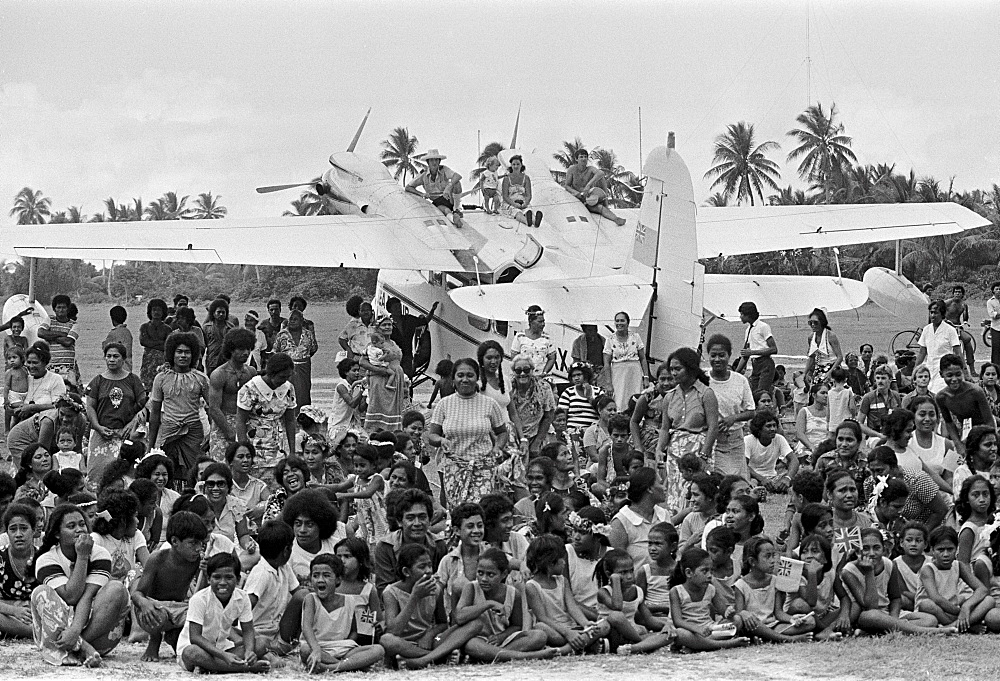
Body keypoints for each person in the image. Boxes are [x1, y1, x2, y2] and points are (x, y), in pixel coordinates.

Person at [30, 504, 130, 667]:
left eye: (82, 524)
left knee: (117, 589)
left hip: (99, 638)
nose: (79, 530)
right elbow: (70, 596)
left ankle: (74, 646)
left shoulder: (100, 554)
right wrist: (82, 557)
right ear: (57, 533)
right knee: (40, 592)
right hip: (57, 636)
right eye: (71, 526)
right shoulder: (46, 560)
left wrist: (74, 632)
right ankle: (81, 647)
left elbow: (86, 596)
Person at [380, 544, 481, 669]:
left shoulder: (435, 589)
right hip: (404, 643)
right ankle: (437, 657)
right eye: (422, 567)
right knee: (387, 640)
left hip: (429, 641)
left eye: (429, 565)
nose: (428, 570)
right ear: (406, 572)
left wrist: (429, 635)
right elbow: (393, 630)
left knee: (475, 624)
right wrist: (414, 597)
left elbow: (443, 623)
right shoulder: (391, 592)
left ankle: (425, 658)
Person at [841, 528, 953, 635]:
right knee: (871, 616)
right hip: (867, 615)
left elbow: (895, 598)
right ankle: (929, 631)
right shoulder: (849, 571)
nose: (871, 553)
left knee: (930, 620)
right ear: (857, 552)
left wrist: (893, 618)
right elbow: (871, 606)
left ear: (883, 549)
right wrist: (869, 572)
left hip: (888, 613)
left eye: (876, 548)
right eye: (865, 548)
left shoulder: (888, 564)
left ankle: (878, 631)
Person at [427, 358, 509, 505]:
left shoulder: (489, 404)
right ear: (453, 379)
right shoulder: (444, 404)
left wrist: (497, 448)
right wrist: (441, 440)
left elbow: (502, 432)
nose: (465, 379)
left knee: (479, 510)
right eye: (460, 375)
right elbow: (432, 435)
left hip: (483, 467)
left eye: (470, 375)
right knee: (458, 512)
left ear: (477, 378)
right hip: (454, 467)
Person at [454, 548, 554, 662]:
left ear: (504, 574)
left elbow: (517, 626)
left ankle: (490, 656)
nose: (484, 579)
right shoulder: (471, 588)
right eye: (480, 573)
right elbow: (459, 617)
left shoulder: (513, 594)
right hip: (479, 639)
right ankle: (526, 656)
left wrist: (501, 637)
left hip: (503, 641)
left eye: (490, 574)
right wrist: (488, 604)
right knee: (471, 644)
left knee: (539, 636)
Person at [177, 552, 269, 673]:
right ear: (209, 579)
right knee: (192, 652)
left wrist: (249, 652)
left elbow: (248, 630)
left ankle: (212, 666)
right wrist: (224, 656)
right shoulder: (199, 599)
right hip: (199, 649)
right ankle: (244, 668)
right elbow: (195, 637)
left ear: (238, 580)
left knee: (262, 643)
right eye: (217, 577)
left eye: (229, 577)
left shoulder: (242, 598)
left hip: (223, 648)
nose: (222, 582)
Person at [300, 554, 385, 672]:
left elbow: (354, 631)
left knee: (378, 650)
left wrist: (348, 644)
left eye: (326, 575)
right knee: (304, 650)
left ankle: (332, 667)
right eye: (315, 576)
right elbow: (306, 628)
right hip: (318, 646)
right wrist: (316, 650)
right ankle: (348, 665)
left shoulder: (350, 601)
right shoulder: (311, 599)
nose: (320, 580)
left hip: (343, 648)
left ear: (338, 579)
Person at [658, 347, 719, 510]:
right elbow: (665, 428)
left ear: (691, 368)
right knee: (675, 492)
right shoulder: (669, 397)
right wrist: (659, 449)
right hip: (675, 452)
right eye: (671, 369)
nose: (673, 373)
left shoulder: (706, 394)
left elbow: (713, 427)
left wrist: (704, 455)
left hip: (699, 449)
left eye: (678, 369)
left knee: (697, 492)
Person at [147, 332, 210, 485]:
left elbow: (212, 409)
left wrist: (211, 435)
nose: (183, 356)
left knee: (195, 474)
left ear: (193, 354)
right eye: (179, 352)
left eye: (187, 352)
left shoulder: (201, 379)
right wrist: (150, 445)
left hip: (194, 433)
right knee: (167, 474)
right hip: (169, 432)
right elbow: (155, 413)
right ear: (172, 354)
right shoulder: (161, 378)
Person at [85, 343, 146, 485]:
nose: (112, 359)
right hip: (102, 434)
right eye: (108, 356)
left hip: (126, 434)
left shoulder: (133, 380)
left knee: (125, 475)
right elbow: (90, 407)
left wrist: (132, 425)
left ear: (124, 359)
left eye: (116, 356)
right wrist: (98, 427)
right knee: (97, 474)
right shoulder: (97, 381)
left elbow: (144, 405)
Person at [733, 536, 815, 642]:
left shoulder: (775, 581)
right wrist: (744, 613)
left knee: (810, 622)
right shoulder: (741, 585)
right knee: (752, 623)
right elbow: (740, 613)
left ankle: (766, 637)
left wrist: (792, 619)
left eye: (773, 555)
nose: (773, 560)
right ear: (752, 561)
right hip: (753, 626)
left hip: (773, 625)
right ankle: (788, 639)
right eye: (767, 556)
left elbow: (778, 613)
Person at [669, 547, 751, 651]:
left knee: (737, 620)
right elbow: (678, 621)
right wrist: (697, 629)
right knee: (680, 634)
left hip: (711, 629)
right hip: (690, 631)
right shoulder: (676, 591)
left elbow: (723, 612)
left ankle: (698, 645)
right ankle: (725, 644)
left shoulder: (711, 589)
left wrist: (729, 613)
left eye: (711, 571)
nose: (709, 576)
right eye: (704, 571)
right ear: (689, 573)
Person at [916, 525, 993, 629]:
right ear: (933, 550)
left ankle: (954, 626)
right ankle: (965, 625)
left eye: (950, 549)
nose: (946, 554)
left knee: (989, 600)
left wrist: (967, 606)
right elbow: (936, 599)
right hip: (934, 611)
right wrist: (960, 612)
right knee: (927, 604)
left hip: (952, 611)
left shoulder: (958, 566)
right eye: (941, 550)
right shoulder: (928, 569)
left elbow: (982, 589)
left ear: (957, 549)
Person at [373, 489, 448, 595]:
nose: (417, 523)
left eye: (422, 517)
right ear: (399, 521)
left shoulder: (439, 545)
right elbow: (383, 591)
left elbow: (442, 585)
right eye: (410, 518)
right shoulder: (385, 547)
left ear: (430, 519)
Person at [236, 352, 297, 482]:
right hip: (255, 448)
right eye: (281, 377)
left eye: (287, 377)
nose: (284, 380)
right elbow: (240, 421)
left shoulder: (288, 389)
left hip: (277, 449)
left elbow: (290, 420)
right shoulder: (250, 389)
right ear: (271, 373)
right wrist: (245, 452)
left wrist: (292, 451)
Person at [706, 335, 755, 477]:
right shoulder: (703, 380)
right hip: (711, 440)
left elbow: (751, 411)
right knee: (718, 480)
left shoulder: (740, 381)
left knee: (738, 481)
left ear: (729, 355)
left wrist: (733, 418)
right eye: (713, 355)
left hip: (735, 441)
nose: (717, 360)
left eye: (722, 355)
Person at [208, 329, 257, 461]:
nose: (246, 353)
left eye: (248, 348)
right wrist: (229, 432)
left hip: (246, 423)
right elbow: (214, 408)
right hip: (223, 424)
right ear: (230, 350)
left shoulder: (251, 372)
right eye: (241, 349)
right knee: (221, 469)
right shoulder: (219, 374)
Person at [608, 468, 670, 571]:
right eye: (660, 483)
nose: (664, 488)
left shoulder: (663, 515)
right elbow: (616, 567)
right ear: (649, 489)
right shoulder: (621, 522)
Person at [936, 353, 995, 458]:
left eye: (958, 374)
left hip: (985, 431)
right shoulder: (941, 397)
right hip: (965, 434)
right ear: (941, 374)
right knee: (954, 463)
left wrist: (989, 442)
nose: (954, 379)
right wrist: (958, 444)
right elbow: (949, 422)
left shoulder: (975, 391)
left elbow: (989, 421)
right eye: (949, 375)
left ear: (963, 372)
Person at [0, 503, 38, 639]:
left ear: (33, 530)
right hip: (7, 616)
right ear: (7, 532)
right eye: (13, 529)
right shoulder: (0, 558)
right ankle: (36, 634)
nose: (18, 534)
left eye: (24, 528)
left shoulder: (43, 559)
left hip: (36, 616)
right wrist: (14, 610)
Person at [362, 317, 406, 432]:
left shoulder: (393, 343)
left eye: (389, 324)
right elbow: (362, 362)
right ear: (378, 328)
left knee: (393, 411)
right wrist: (380, 371)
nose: (387, 327)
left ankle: (392, 434)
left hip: (395, 379)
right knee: (381, 409)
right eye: (384, 325)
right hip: (381, 380)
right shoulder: (375, 344)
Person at [561, 148, 627, 226]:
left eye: (585, 157)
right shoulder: (572, 169)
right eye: (581, 157)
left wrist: (588, 185)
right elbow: (567, 186)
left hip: (589, 199)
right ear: (576, 159)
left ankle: (616, 219)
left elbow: (601, 173)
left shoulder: (590, 169)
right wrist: (577, 194)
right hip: (576, 199)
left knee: (599, 207)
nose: (584, 159)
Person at [510, 353, 556, 458]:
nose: (522, 374)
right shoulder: (508, 388)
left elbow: (549, 416)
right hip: (513, 436)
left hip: (536, 435)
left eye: (526, 370)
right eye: (518, 370)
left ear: (532, 370)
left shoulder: (544, 387)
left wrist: (537, 442)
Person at [405, 148, 465, 227]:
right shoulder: (423, 174)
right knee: (445, 210)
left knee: (456, 182)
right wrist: (422, 194)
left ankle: (457, 209)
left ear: (439, 161)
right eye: (432, 160)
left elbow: (458, 176)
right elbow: (408, 187)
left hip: (449, 198)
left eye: (436, 160)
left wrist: (448, 186)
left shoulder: (444, 169)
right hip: (437, 201)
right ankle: (454, 220)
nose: (434, 162)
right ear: (428, 162)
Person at [12, 341, 67, 424]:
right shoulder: (25, 378)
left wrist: (33, 407)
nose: (31, 366)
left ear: (45, 362)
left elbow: (58, 406)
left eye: (35, 363)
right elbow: (14, 398)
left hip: (46, 424)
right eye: (29, 362)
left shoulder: (55, 379)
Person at [273, 309, 318, 410]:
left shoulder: (308, 334)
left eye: (295, 319)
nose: (292, 321)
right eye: (290, 319)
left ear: (302, 321)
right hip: (287, 370)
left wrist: (302, 359)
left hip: (304, 369)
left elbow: (313, 349)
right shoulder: (282, 335)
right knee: (286, 394)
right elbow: (275, 352)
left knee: (303, 395)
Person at [603, 311, 650, 405]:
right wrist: (608, 383)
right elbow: (607, 363)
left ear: (627, 323)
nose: (619, 323)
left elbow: (643, 359)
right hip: (618, 373)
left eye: (622, 321)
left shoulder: (635, 337)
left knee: (635, 396)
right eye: (617, 321)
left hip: (634, 373)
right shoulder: (610, 339)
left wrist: (646, 377)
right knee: (619, 398)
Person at [386, 297, 439, 379]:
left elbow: (424, 321)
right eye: (395, 307)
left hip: (407, 357)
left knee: (407, 380)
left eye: (399, 307)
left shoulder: (409, 320)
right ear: (390, 310)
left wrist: (432, 310)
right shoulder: (387, 324)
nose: (398, 309)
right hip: (394, 358)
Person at [916, 300, 962, 393]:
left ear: (942, 314)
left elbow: (958, 352)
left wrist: (964, 372)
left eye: (936, 313)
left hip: (944, 369)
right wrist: (915, 369)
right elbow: (922, 352)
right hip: (930, 368)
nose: (933, 315)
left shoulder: (950, 330)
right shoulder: (926, 330)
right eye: (931, 312)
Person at [745, 412, 797, 493]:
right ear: (759, 428)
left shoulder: (779, 439)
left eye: (774, 425)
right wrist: (761, 479)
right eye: (768, 426)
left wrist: (788, 478)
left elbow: (794, 460)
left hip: (773, 477)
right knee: (751, 483)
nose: (773, 429)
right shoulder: (748, 440)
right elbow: (744, 465)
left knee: (795, 478)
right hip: (753, 477)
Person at [733, 302, 777, 395]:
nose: (740, 317)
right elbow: (745, 355)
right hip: (755, 365)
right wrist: (736, 373)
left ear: (748, 315)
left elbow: (773, 349)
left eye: (742, 314)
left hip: (765, 364)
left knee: (762, 393)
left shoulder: (763, 327)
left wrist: (752, 352)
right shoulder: (748, 330)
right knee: (753, 393)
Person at [36, 294, 79, 387]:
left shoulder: (74, 324)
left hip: (68, 368)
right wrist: (61, 334)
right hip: (51, 366)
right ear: (54, 309)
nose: (61, 310)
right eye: (58, 307)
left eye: (64, 307)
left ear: (68, 309)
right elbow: (40, 333)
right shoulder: (50, 320)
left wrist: (50, 335)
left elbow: (68, 342)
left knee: (69, 394)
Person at [858, 364, 902, 439]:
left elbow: (901, 418)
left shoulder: (896, 396)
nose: (880, 381)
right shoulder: (868, 397)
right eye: (878, 378)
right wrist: (878, 435)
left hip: (893, 435)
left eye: (883, 378)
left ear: (890, 379)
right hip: (874, 436)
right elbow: (859, 424)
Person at [803, 308, 844, 387]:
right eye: (810, 323)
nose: (813, 325)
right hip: (819, 369)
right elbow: (811, 357)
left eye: (815, 323)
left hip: (833, 367)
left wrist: (830, 373)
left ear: (822, 322)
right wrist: (805, 373)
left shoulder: (831, 336)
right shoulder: (811, 337)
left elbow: (839, 357)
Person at [511, 305, 555, 377]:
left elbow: (552, 358)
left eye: (543, 321)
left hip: (541, 378)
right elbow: (514, 357)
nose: (543, 324)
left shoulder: (547, 338)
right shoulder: (520, 336)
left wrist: (544, 373)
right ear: (531, 321)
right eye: (540, 322)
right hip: (523, 377)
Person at [328, 357, 365, 443]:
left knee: (366, 440)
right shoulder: (341, 386)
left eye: (358, 370)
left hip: (353, 424)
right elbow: (352, 403)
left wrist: (367, 396)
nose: (357, 373)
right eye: (354, 370)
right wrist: (362, 391)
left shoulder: (357, 386)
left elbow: (361, 409)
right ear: (346, 372)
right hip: (339, 425)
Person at [139, 298, 171, 392]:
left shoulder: (167, 329)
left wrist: (151, 344)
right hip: (148, 362)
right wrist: (160, 342)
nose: (156, 312)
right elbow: (143, 342)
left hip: (162, 362)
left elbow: (168, 345)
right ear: (150, 311)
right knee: (147, 388)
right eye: (154, 309)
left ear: (163, 312)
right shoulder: (144, 327)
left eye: (159, 310)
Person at [499, 154, 540, 227]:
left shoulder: (526, 178)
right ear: (511, 165)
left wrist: (525, 203)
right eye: (513, 164)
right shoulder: (506, 178)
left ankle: (535, 221)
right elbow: (505, 196)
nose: (516, 166)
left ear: (521, 165)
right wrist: (514, 204)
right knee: (517, 212)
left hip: (523, 202)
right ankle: (527, 221)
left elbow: (528, 195)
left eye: (518, 164)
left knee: (528, 210)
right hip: (511, 203)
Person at [945, 284, 976, 375]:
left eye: (959, 292)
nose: (957, 294)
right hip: (947, 326)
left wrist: (965, 320)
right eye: (956, 292)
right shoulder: (947, 303)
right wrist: (944, 320)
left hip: (957, 326)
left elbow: (965, 317)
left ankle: (972, 369)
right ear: (953, 293)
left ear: (962, 294)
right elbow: (939, 311)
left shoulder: (963, 304)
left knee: (967, 339)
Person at [795, 382, 830, 460]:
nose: (826, 396)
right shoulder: (804, 411)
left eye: (827, 393)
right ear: (814, 395)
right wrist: (812, 447)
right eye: (822, 393)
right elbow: (800, 434)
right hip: (807, 447)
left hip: (824, 448)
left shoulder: (830, 412)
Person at [3, 346, 29, 431]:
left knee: (21, 414)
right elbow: (6, 386)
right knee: (21, 407)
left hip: (25, 395)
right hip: (15, 396)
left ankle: (15, 428)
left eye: (14, 357)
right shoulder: (10, 372)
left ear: (21, 358)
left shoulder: (25, 370)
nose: (12, 360)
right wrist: (6, 399)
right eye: (9, 358)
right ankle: (7, 429)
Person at [102, 305, 133, 373]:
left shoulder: (113, 333)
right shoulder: (127, 332)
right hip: (128, 366)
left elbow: (106, 348)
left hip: (117, 367)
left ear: (112, 319)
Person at [987, 282, 1000, 368]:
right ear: (993, 291)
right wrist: (997, 315)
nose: (999, 291)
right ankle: (996, 368)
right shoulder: (990, 302)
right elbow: (993, 315)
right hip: (996, 328)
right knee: (996, 349)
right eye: (997, 289)